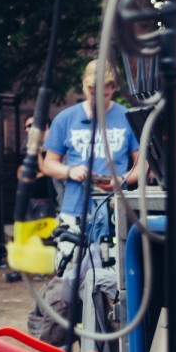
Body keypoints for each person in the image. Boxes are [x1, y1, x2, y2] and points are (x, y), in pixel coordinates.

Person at [43, 60, 140, 236]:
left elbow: (144, 166)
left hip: (115, 209)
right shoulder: (65, 118)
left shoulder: (127, 117)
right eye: (92, 93)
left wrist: (121, 179)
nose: (97, 100)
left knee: (115, 253)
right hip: (74, 210)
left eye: (105, 95)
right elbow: (48, 164)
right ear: (84, 84)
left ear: (114, 88)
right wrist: (70, 171)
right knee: (72, 253)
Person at [17, 115, 59, 220]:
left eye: (30, 125)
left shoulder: (53, 148)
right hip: (29, 200)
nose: (27, 129)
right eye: (25, 127)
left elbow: (47, 169)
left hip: (48, 199)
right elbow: (21, 174)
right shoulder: (26, 148)